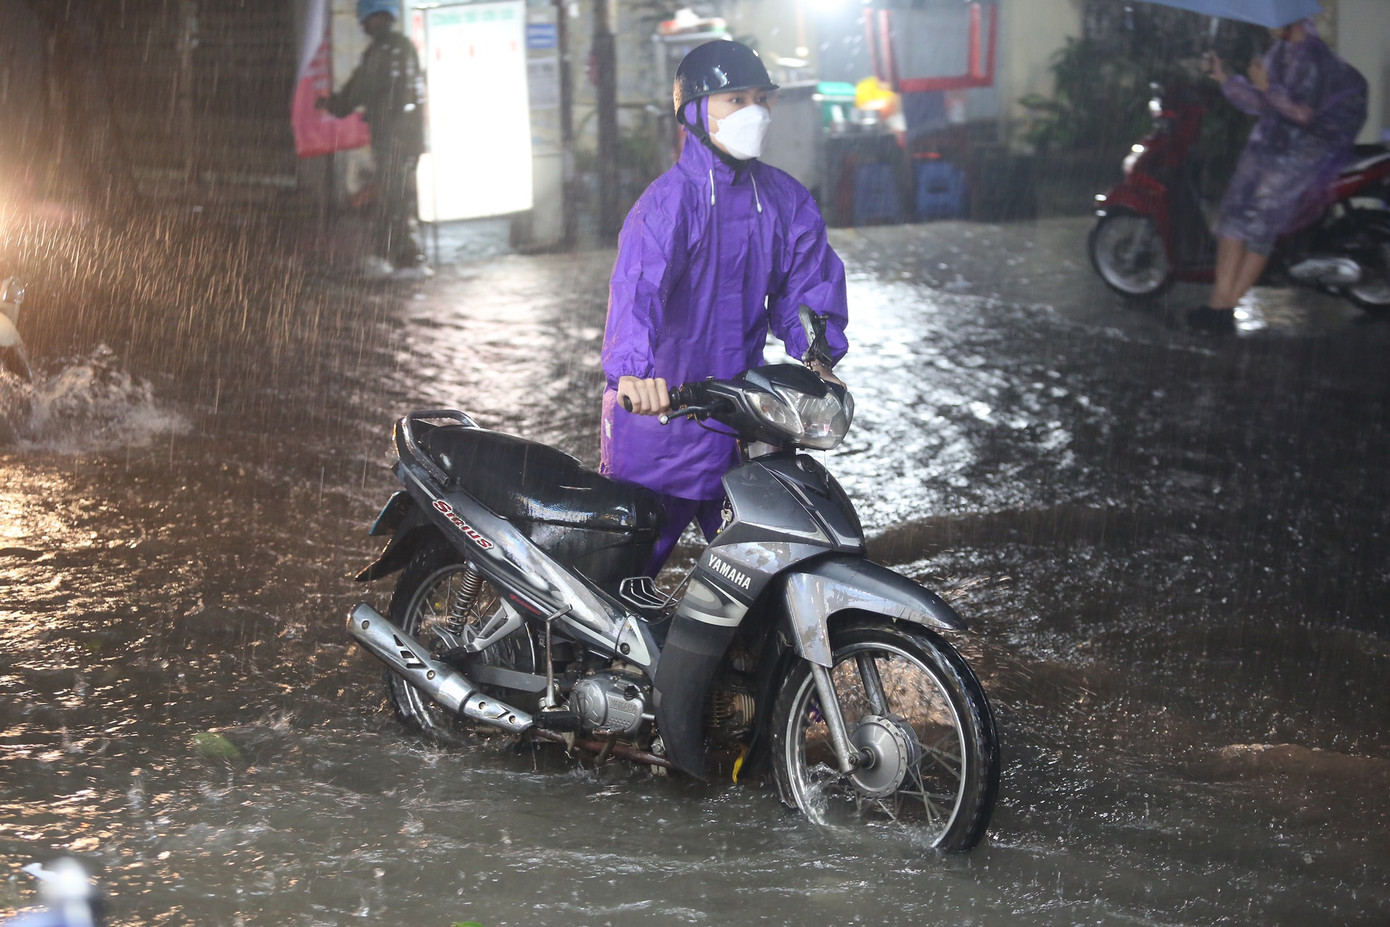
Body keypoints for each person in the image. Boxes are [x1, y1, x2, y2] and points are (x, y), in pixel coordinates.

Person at [600, 39, 850, 575]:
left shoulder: (784, 201)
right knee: (622, 586)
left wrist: (819, 359)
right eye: (735, 100)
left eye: (761, 98)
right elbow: (636, 294)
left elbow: (809, 287)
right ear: (693, 113)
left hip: (739, 420)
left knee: (766, 574)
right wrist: (630, 375)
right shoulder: (666, 206)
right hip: (660, 420)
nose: (755, 112)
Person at [1189, 17, 1367, 333]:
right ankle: (1220, 302)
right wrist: (1225, 79)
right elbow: (1263, 103)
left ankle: (1222, 308)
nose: (1268, 23)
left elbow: (1302, 114)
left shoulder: (1314, 56)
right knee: (1232, 217)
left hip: (1304, 149)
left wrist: (1267, 85)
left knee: (1259, 223)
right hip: (1271, 142)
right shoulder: (1280, 52)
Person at [317, 0, 430, 280]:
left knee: (393, 200)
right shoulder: (405, 48)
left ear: (377, 18)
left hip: (391, 139)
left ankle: (406, 260)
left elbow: (357, 90)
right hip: (409, 139)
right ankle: (390, 257)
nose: (362, 25)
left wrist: (332, 103)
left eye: (364, 20)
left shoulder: (380, 53)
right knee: (396, 197)